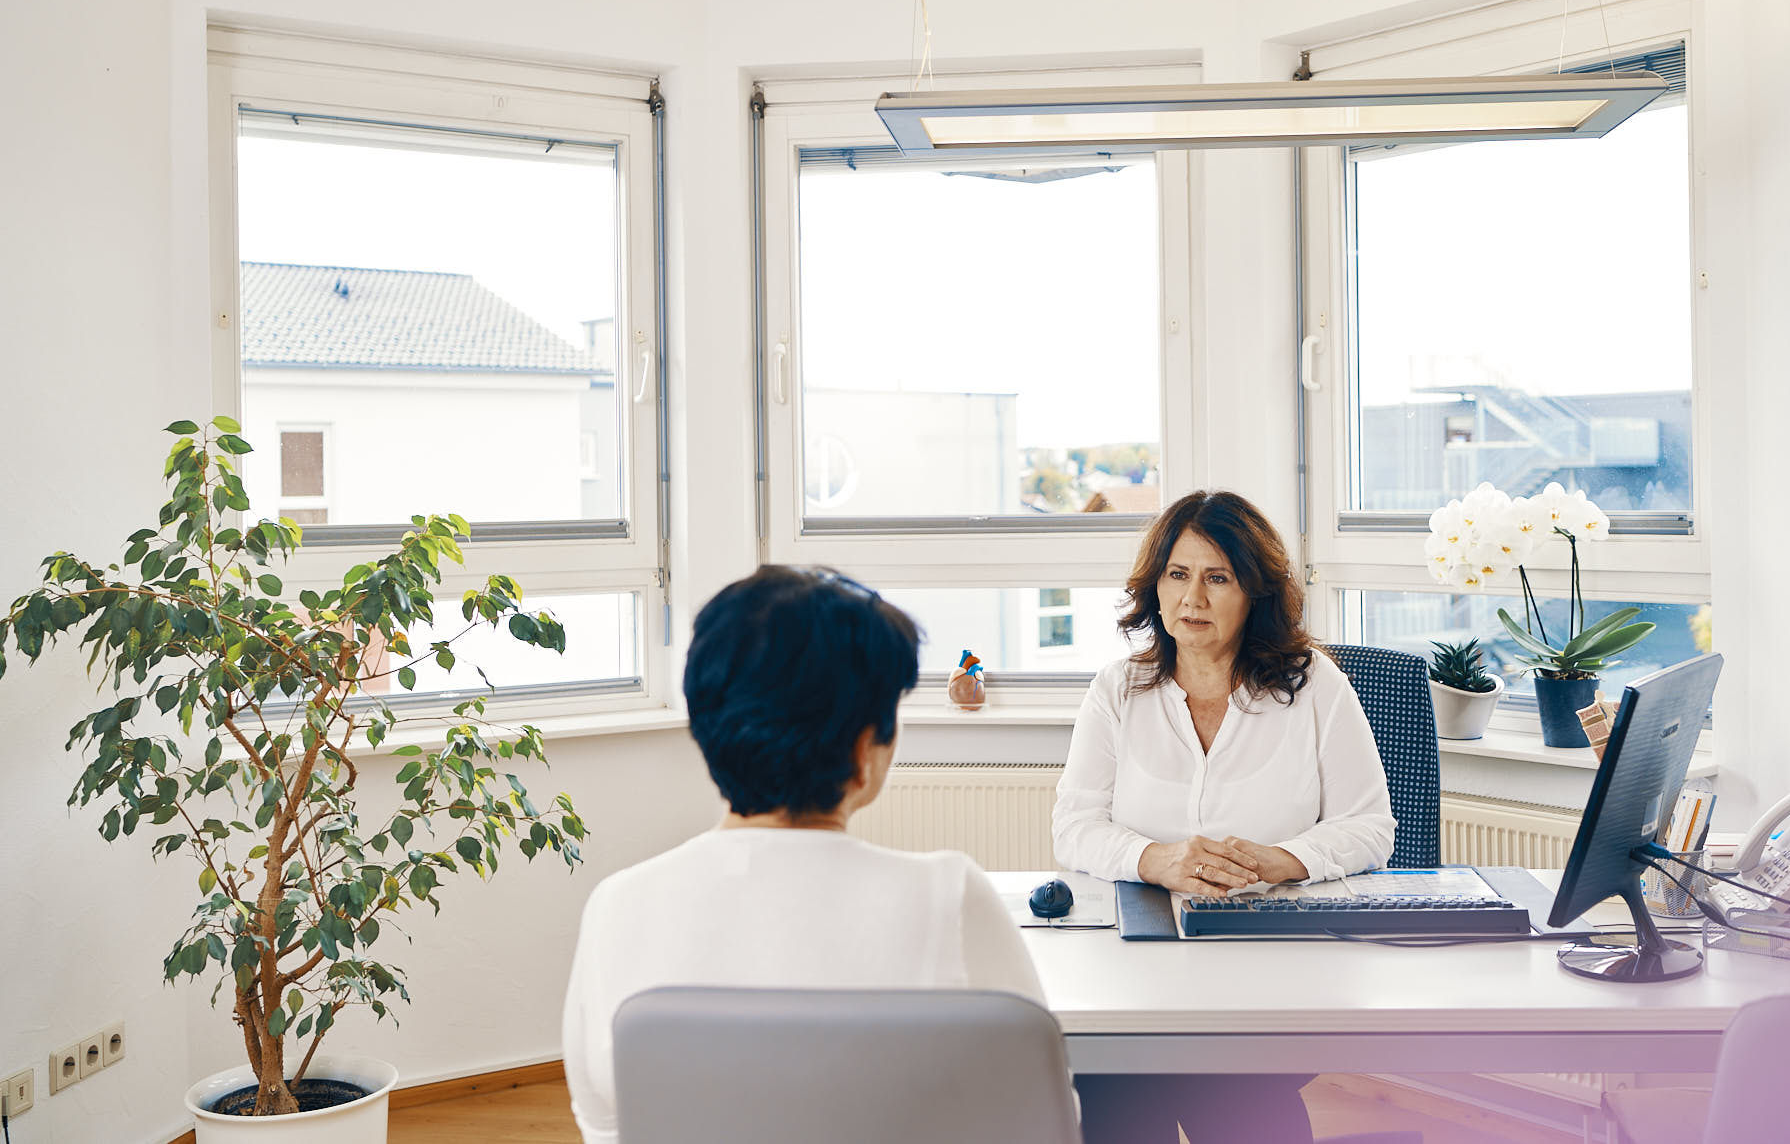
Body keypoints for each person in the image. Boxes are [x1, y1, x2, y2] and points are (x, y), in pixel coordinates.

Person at [561, 565, 1046, 1144]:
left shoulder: (617, 905)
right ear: (865, 748)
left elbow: (605, 1125)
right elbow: (1039, 1116)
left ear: (707, 727)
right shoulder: (948, 895)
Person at [1052, 490, 1396, 1144]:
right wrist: (1158, 859)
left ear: (1254, 593)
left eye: (1218, 578)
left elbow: (1370, 825)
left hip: (1270, 961)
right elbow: (1074, 826)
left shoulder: (1314, 686)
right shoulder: (1118, 689)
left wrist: (1282, 859)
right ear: (1155, 586)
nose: (1193, 599)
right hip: (1141, 960)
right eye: (1177, 574)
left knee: (1206, 1072)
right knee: (1119, 1068)